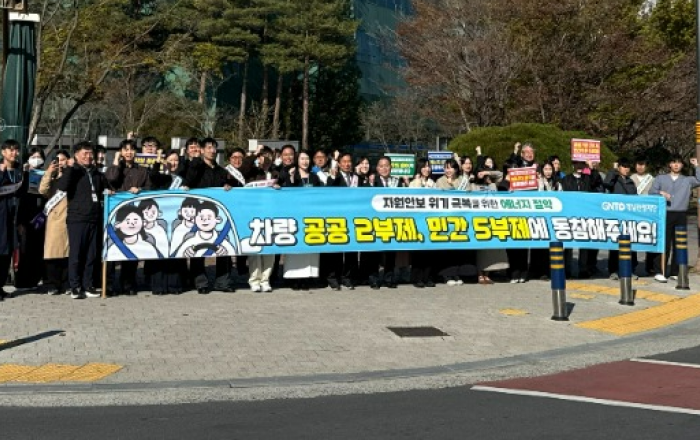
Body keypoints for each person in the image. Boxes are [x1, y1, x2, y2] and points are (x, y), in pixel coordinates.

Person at [58, 141, 110, 300]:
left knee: (91, 254)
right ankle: (74, 286)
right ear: (76, 155)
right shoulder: (73, 171)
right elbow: (62, 186)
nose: (88, 156)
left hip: (94, 218)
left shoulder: (96, 173)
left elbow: (106, 188)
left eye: (90, 153)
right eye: (84, 153)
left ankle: (88, 285)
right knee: (76, 254)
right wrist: (70, 168)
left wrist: (110, 191)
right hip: (77, 218)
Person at [185, 138, 237, 293]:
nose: (212, 151)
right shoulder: (196, 166)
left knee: (224, 246)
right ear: (202, 150)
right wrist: (196, 161)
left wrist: (228, 186)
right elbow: (188, 181)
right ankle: (200, 282)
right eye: (208, 147)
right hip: (199, 214)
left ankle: (223, 281)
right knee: (198, 247)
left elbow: (234, 186)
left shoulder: (221, 171)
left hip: (219, 214)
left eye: (214, 148)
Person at [104, 139, 151, 295]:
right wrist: (116, 161)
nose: (129, 152)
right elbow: (111, 179)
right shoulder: (115, 168)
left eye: (131, 149)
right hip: (116, 215)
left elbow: (149, 188)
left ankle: (128, 283)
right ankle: (109, 284)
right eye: (125, 150)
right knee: (113, 248)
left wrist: (140, 190)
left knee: (132, 248)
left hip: (134, 214)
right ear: (121, 152)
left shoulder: (142, 170)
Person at [649, 155, 700, 283]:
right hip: (665, 214)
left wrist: (696, 166)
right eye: (673, 162)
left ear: (682, 165)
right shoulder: (661, 178)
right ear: (669, 164)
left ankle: (675, 271)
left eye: (679, 163)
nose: (676, 165)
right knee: (664, 243)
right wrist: (661, 193)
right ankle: (659, 271)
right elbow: (651, 191)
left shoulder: (687, 180)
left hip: (681, 214)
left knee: (679, 244)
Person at [283, 150, 322, 290]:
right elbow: (288, 193)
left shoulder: (314, 177)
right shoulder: (292, 175)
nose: (305, 161)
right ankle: (294, 279)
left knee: (309, 248)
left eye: (307, 159)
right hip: (295, 216)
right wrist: (291, 178)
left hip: (311, 216)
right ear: (297, 160)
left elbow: (320, 194)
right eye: (302, 159)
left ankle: (307, 278)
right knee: (295, 248)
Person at [365, 156, 405, 289]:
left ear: (391, 167)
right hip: (375, 221)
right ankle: (374, 278)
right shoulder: (372, 181)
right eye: (381, 166)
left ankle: (389, 277)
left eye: (386, 165)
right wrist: (370, 184)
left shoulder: (397, 182)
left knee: (390, 252)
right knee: (374, 252)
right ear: (377, 168)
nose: (384, 168)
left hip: (391, 221)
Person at [324, 152, 360, 290]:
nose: (347, 164)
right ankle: (333, 277)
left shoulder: (356, 178)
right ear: (339, 164)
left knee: (351, 251)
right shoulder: (334, 176)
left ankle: (347, 277)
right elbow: (327, 192)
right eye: (344, 161)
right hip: (337, 218)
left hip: (353, 218)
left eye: (349, 161)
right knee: (336, 250)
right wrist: (333, 177)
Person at [15, 147, 47, 290]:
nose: (36, 159)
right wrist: (20, 221)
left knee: (38, 249)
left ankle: (35, 279)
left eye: (38, 156)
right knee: (25, 250)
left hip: (41, 216)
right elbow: (20, 199)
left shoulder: (46, 175)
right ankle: (22, 281)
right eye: (33, 156)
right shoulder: (23, 175)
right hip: (26, 218)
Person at [39, 149, 71, 295]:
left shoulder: (71, 177)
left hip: (70, 218)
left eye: (63, 159)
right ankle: (52, 283)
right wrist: (49, 172)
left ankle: (66, 283)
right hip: (54, 220)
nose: (60, 163)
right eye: (57, 160)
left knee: (68, 253)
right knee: (53, 253)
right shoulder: (51, 179)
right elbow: (42, 190)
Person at [603, 158, 638, 280]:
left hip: (629, 217)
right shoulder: (614, 179)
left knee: (630, 245)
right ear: (619, 167)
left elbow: (635, 198)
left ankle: (630, 270)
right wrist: (613, 171)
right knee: (615, 245)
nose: (626, 169)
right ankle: (613, 270)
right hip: (616, 216)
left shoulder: (631, 182)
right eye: (623, 166)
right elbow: (607, 183)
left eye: (628, 167)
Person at [560, 160, 595, 279]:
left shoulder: (588, 178)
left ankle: (583, 269)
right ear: (573, 165)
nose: (579, 166)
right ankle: (567, 270)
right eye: (577, 164)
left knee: (584, 243)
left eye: (582, 164)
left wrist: (591, 168)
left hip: (584, 215)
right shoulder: (566, 179)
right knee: (568, 244)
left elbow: (597, 183)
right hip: (569, 214)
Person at [0, 140, 25, 300]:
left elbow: (22, 194)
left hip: (13, 217)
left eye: (16, 150)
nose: (14, 153)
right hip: (1, 216)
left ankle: (0, 285)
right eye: (11, 150)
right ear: (3, 152)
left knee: (8, 252)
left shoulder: (19, 171)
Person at [408, 158, 436, 287]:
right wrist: (418, 182)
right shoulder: (413, 183)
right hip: (417, 220)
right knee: (418, 251)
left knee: (429, 250)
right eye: (424, 166)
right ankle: (416, 278)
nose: (427, 169)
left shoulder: (432, 183)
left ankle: (428, 277)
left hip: (430, 219)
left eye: (428, 166)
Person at [631, 157, 655, 275]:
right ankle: (632, 265)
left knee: (650, 239)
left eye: (643, 164)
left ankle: (650, 266)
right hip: (633, 213)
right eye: (638, 164)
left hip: (648, 214)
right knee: (632, 239)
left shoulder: (652, 179)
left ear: (646, 166)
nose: (640, 167)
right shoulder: (630, 178)